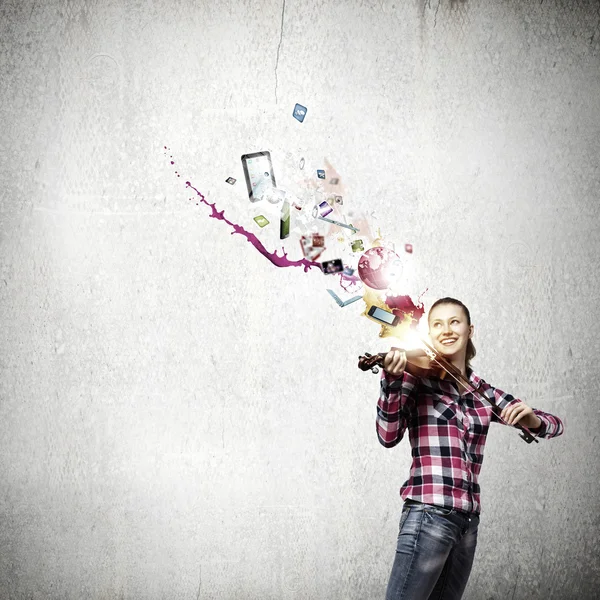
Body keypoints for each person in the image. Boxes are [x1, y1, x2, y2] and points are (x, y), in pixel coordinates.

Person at [377, 297, 564, 600]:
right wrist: (391, 381)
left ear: (469, 329)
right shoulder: (416, 377)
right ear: (429, 332)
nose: (446, 330)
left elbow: (555, 424)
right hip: (429, 514)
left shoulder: (481, 391)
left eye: (455, 322)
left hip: (467, 524)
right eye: (437, 324)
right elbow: (387, 435)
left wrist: (532, 419)